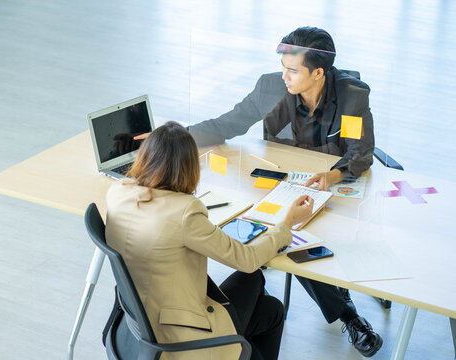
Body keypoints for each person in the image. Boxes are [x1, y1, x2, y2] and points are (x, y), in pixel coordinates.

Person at [136, 26, 382, 358]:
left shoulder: (352, 96)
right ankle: (345, 310)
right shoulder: (271, 87)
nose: (284, 76)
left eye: (292, 70)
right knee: (290, 233)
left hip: (333, 188)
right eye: (283, 66)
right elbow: (228, 124)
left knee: (293, 235)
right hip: (279, 183)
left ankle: (348, 315)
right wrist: (169, 143)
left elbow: (362, 152)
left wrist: (333, 174)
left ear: (319, 72)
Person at [106, 121, 314, 360]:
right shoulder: (185, 211)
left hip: (139, 326)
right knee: (257, 281)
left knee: (271, 308)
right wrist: (286, 224)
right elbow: (246, 260)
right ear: (188, 167)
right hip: (179, 338)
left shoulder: (117, 192)